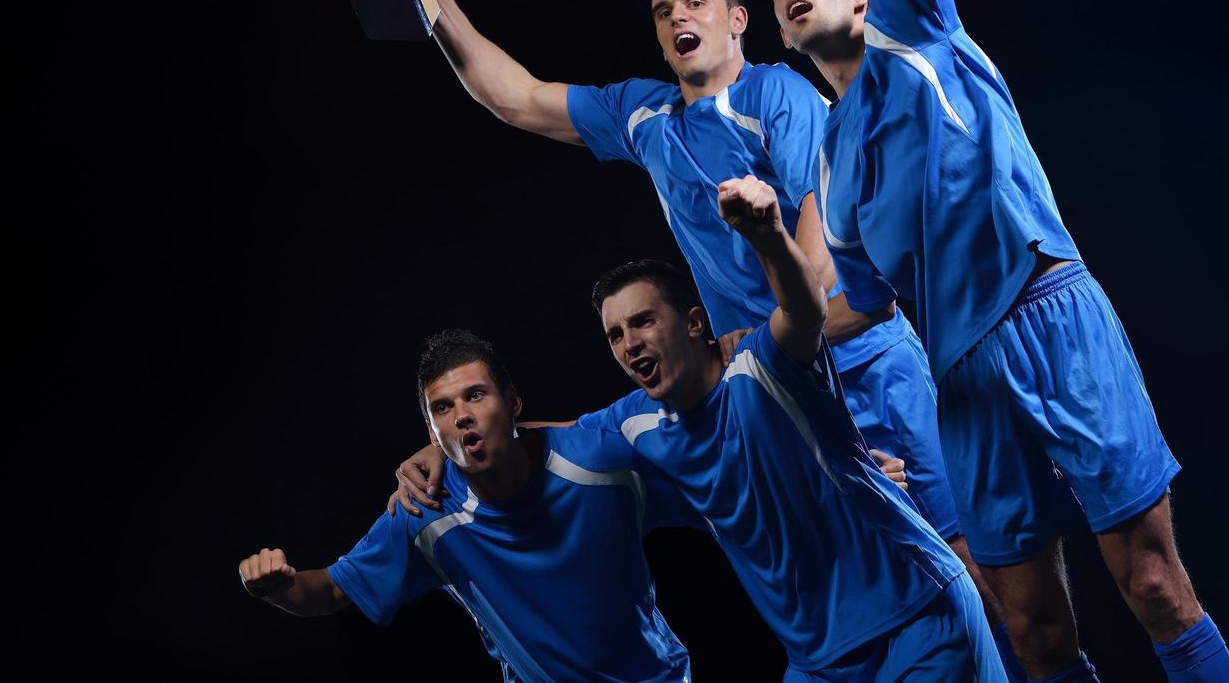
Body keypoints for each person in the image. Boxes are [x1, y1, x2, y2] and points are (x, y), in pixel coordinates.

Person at [767, 0, 1229, 680]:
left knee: (1149, 582)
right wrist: (775, 328)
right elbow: (863, 299)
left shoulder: (914, 23)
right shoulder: (831, 166)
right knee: (1029, 633)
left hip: (1049, 314)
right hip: (963, 381)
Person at [394, 0, 967, 575]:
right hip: (776, 389)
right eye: (664, 12)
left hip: (861, 364)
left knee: (961, 562)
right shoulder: (647, 116)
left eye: (695, 2)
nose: (677, 19)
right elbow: (513, 98)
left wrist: (769, 348)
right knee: (863, 570)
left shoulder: (778, 95)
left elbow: (817, 262)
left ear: (736, 21)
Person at [394, 178, 1007, 680]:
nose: (630, 343)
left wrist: (768, 237)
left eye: (642, 323)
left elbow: (805, 309)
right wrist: (446, 442)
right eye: (615, 335)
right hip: (820, 662)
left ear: (692, 323)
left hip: (918, 617)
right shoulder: (634, 426)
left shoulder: (764, 365)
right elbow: (542, 435)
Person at [236, 329, 696, 682]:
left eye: (475, 395)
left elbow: (693, 432)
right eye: (441, 408)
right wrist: (279, 585)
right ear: (431, 433)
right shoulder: (426, 511)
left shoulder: (602, 460)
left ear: (512, 402)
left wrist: (725, 350)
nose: (461, 415)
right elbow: (332, 591)